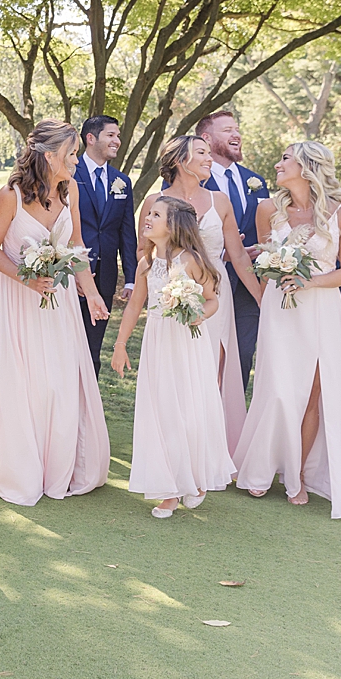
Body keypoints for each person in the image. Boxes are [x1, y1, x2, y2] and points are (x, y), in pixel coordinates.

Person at [0, 120, 111, 507]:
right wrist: (26, 278)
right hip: (19, 301)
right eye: (70, 153)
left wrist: (92, 294)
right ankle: (22, 469)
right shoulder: (11, 196)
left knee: (59, 382)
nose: (75, 159)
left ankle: (59, 467)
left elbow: (78, 245)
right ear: (49, 156)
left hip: (60, 301)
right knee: (28, 383)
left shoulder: (71, 193)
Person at [233, 142, 341, 519]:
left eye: (285, 158)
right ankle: (259, 467)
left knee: (312, 394)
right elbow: (262, 260)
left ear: (307, 167)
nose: (277, 163)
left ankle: (298, 475)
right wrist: (271, 277)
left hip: (321, 307)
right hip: (280, 308)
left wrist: (310, 282)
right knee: (275, 389)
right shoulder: (268, 210)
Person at [112, 196, 234, 519]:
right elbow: (135, 305)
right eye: (148, 213)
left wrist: (198, 315)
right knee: (161, 410)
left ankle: (193, 478)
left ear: (174, 224)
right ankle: (168, 490)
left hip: (186, 343)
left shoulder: (191, 259)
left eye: (156, 215)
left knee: (188, 411)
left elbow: (212, 300)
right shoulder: (146, 263)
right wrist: (120, 344)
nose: (148, 218)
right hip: (157, 342)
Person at [141, 136, 263, 455]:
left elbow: (237, 256)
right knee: (172, 372)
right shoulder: (155, 200)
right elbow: (145, 253)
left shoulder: (220, 201)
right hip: (169, 295)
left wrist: (262, 298)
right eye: (202, 153)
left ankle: (204, 451)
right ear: (181, 160)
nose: (209, 159)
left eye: (209, 153)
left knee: (209, 371)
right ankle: (170, 447)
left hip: (212, 293)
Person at [198, 111, 270, 388]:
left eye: (237, 129)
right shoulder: (192, 181)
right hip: (207, 281)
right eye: (227, 130)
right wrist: (217, 250)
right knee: (208, 352)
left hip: (249, 282)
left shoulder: (255, 180)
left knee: (242, 353)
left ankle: (233, 421)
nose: (236, 135)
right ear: (206, 138)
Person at [72, 115, 137, 371]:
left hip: (106, 277)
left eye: (118, 136)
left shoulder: (122, 182)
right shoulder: (69, 173)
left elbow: (127, 233)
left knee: (93, 348)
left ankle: (89, 408)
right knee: (66, 342)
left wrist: (130, 278)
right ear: (90, 138)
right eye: (111, 135)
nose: (117, 141)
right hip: (71, 274)